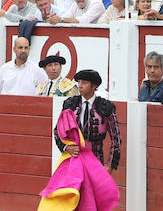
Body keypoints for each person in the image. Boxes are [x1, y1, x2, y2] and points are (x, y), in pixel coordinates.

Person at [41, 68, 122, 211]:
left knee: (92, 200)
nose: (79, 85)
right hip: (73, 159)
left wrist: (109, 165)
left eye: (84, 83)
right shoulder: (70, 104)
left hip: (95, 160)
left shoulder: (106, 107)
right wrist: (66, 147)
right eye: (79, 82)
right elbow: (57, 131)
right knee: (71, 196)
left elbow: (116, 139)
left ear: (94, 86)